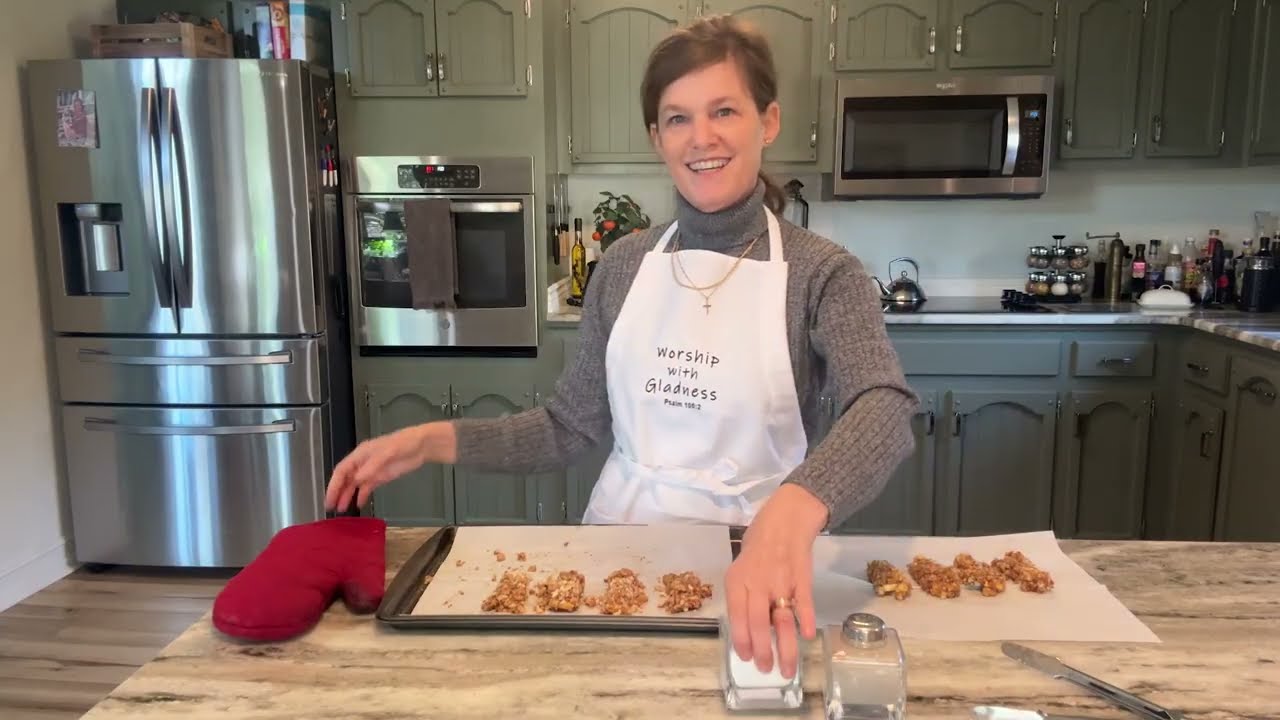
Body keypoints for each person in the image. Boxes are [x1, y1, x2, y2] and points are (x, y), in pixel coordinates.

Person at [325, 14, 916, 680]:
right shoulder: (625, 264)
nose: (703, 137)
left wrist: (798, 504)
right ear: (656, 138)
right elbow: (568, 428)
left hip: (761, 564)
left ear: (768, 121)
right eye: (678, 118)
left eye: (724, 110)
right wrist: (427, 441)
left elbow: (884, 405)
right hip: (620, 556)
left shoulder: (820, 271)